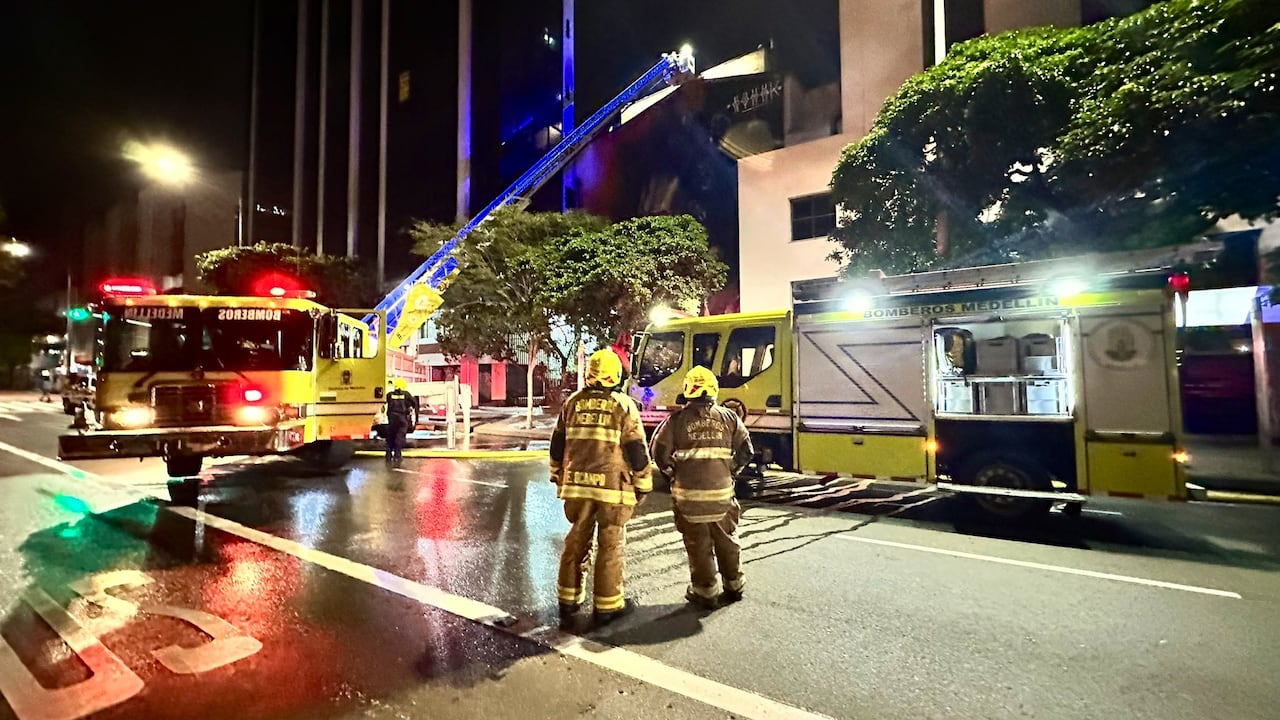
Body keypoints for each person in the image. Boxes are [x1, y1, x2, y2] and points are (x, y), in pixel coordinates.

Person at [550, 348, 653, 626]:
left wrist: (556, 473)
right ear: (615, 375)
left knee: (576, 541)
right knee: (610, 545)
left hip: (577, 488)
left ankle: (568, 600)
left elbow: (557, 443)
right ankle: (608, 605)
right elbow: (636, 449)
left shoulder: (572, 403)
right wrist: (643, 482)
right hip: (612, 490)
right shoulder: (623, 405)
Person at [650, 366, 754, 610]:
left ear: (688, 390)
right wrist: (732, 471)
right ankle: (734, 584)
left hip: (689, 500)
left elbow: (659, 453)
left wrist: (673, 474)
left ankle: (706, 590)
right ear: (714, 389)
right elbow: (747, 451)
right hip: (722, 497)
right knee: (728, 541)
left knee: (699, 546)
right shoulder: (729, 417)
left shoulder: (675, 421)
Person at [384, 378, 418, 466]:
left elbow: (383, 402)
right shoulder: (406, 394)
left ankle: (388, 454)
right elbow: (414, 404)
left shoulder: (389, 395)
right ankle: (397, 455)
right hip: (402, 418)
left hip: (391, 419)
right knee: (400, 437)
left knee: (391, 437)